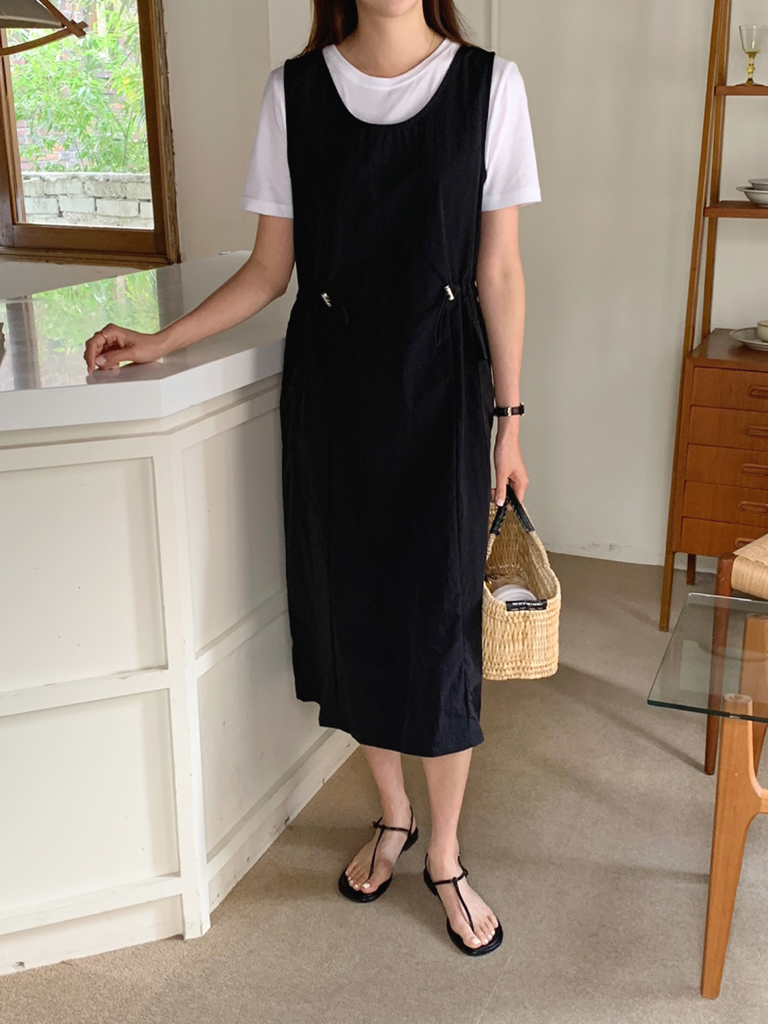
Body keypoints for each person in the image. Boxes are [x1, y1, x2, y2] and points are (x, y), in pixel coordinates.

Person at [82, 0, 540, 956]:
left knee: (440, 625)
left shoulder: (490, 87)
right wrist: (160, 341)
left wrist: (510, 420)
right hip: (334, 395)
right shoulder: (292, 93)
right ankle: (393, 813)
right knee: (355, 611)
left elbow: (499, 270)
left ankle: (445, 852)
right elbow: (269, 269)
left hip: (443, 393)